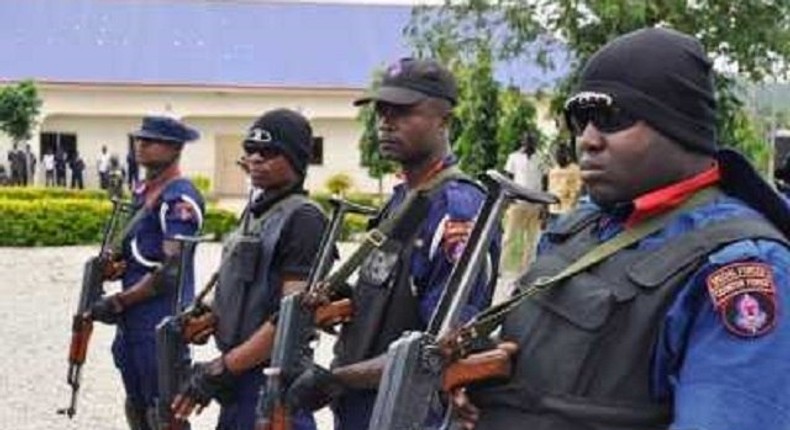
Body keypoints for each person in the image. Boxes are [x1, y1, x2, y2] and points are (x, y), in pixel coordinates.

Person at [452, 27, 790, 430]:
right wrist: (484, 389)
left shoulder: (743, 267)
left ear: (679, 125)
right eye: (581, 119)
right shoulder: (583, 225)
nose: (588, 140)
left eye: (612, 118)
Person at [286, 58, 501, 430]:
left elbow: (437, 349)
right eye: (382, 111)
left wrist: (337, 379)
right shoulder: (403, 199)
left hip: (408, 414)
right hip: (363, 408)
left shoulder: (457, 209)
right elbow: (392, 293)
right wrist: (343, 303)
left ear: (444, 120)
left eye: (403, 112)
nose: (385, 122)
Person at [171, 109, 327, 430]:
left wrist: (222, 368)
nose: (255, 158)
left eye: (269, 152)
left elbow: (291, 318)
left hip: (272, 384)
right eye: (250, 150)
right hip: (238, 383)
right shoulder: (256, 212)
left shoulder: (304, 218)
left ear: (296, 159)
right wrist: (210, 316)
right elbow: (244, 287)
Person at [88, 115, 205, 430]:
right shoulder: (144, 192)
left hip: (160, 319)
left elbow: (171, 272)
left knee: (164, 411)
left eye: (150, 141)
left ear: (174, 148)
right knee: (137, 404)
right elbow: (142, 255)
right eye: (139, 139)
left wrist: (118, 302)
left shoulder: (178, 198)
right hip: (134, 320)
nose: (141, 145)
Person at [502, 131, 544, 272]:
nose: (530, 144)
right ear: (523, 142)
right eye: (528, 141)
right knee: (509, 237)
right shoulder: (513, 157)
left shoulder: (541, 157)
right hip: (518, 204)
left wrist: (544, 205)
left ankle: (526, 270)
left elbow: (545, 180)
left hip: (535, 205)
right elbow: (508, 178)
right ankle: (500, 268)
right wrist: (508, 198)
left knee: (531, 241)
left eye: (533, 141)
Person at [546, 141, 582, 221]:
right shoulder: (553, 171)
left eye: (562, 153)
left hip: (569, 210)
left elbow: (579, 190)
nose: (559, 155)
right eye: (557, 153)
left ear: (567, 154)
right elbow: (550, 190)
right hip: (553, 210)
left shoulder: (576, 170)